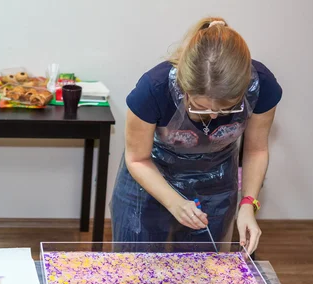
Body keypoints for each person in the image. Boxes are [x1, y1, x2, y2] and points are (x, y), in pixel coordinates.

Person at [110, 17, 282, 255]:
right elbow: (137, 159)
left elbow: (256, 150)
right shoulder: (153, 89)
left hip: (216, 178)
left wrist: (247, 204)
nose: (212, 117)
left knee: (202, 270)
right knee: (139, 268)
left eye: (225, 110)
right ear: (184, 86)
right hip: (150, 175)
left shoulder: (262, 86)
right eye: (200, 107)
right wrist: (174, 201)